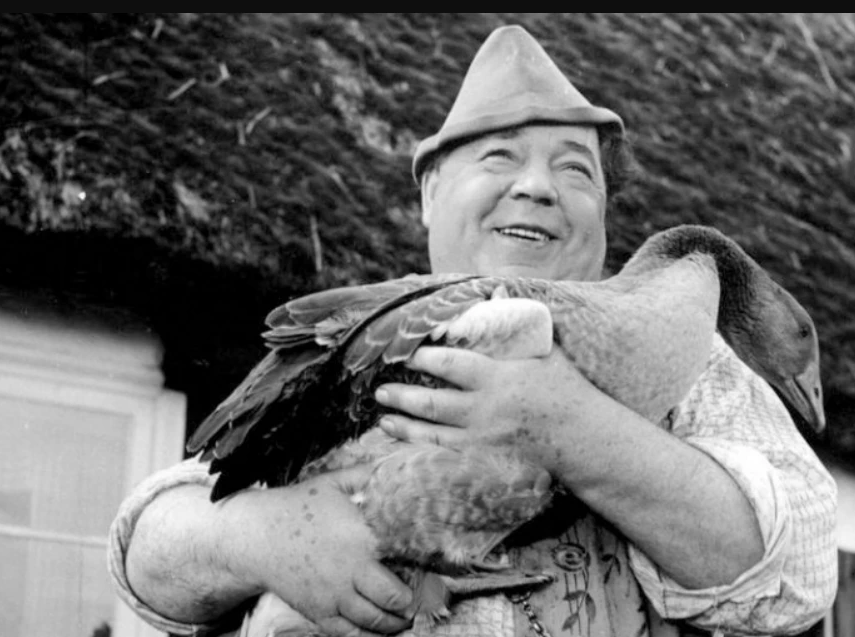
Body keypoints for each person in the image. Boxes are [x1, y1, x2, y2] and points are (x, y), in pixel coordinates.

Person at [108, 24, 838, 636]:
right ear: (431, 191)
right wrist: (263, 535)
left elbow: (802, 572)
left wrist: (563, 421)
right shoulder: (364, 332)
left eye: (575, 172)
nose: (538, 187)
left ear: (604, 213)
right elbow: (148, 555)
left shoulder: (696, 362)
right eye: (500, 156)